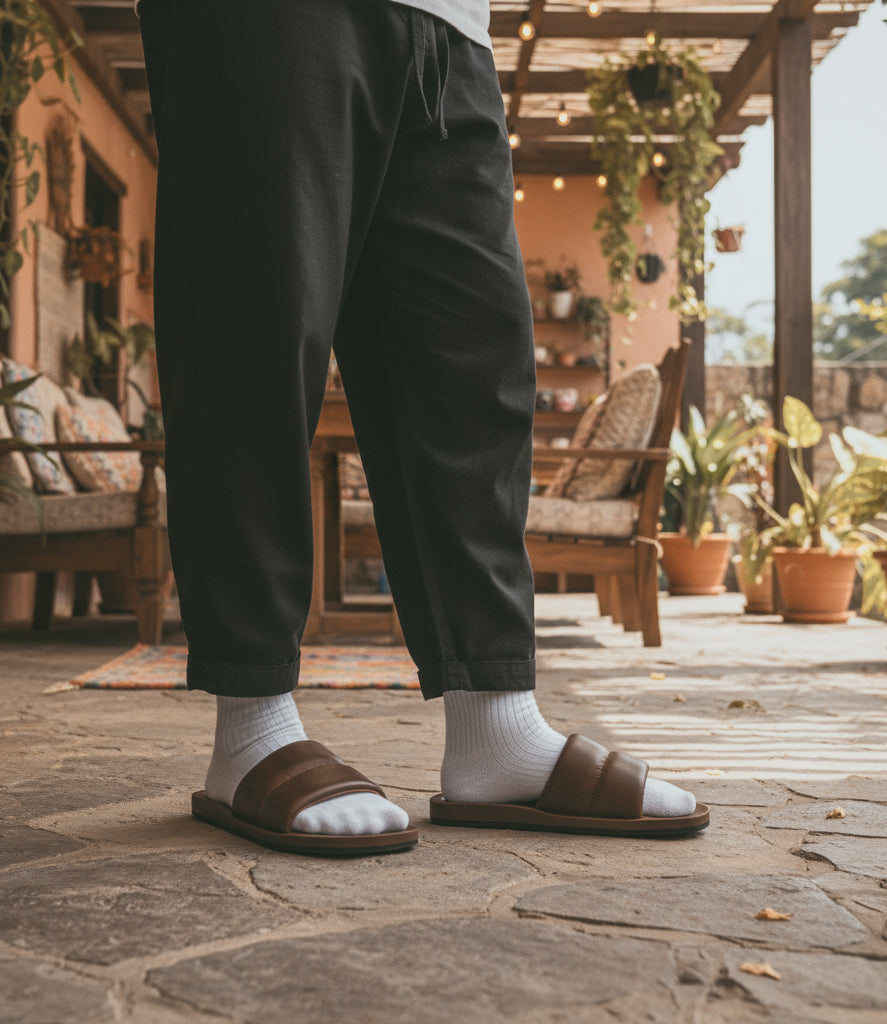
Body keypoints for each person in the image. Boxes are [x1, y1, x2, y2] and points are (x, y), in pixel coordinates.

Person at [137, 0, 708, 856]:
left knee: (477, 365)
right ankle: (251, 724)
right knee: (257, 331)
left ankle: (496, 730)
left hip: (450, 26)